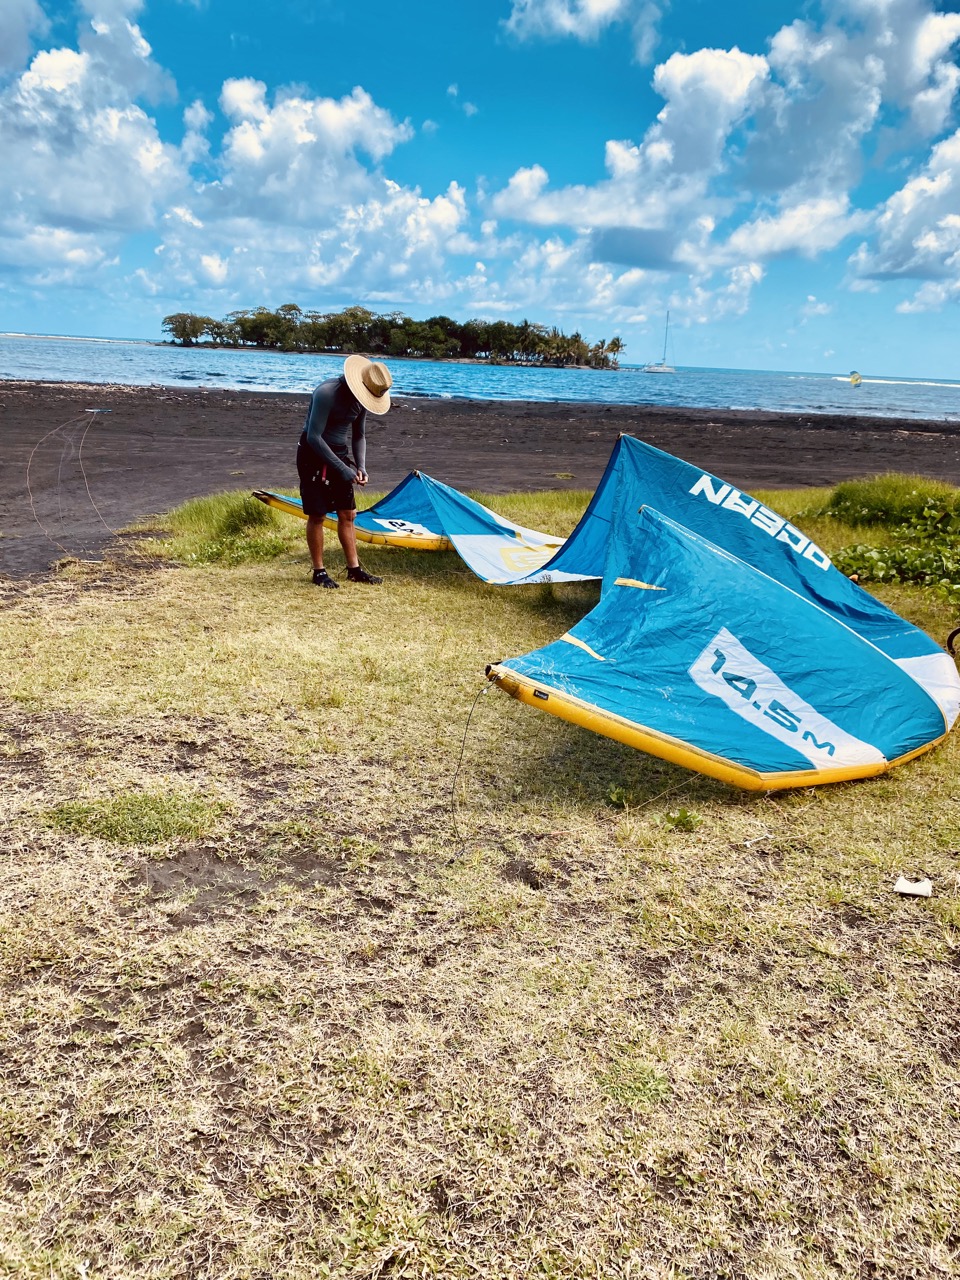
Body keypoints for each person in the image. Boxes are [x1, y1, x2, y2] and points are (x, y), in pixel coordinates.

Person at [296, 355, 392, 588]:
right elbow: (313, 436)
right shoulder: (327, 392)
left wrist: (360, 467)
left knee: (348, 514)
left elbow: (359, 435)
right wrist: (342, 469)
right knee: (317, 515)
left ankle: (354, 569)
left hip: (339, 453)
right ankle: (319, 572)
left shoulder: (362, 399)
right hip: (313, 454)